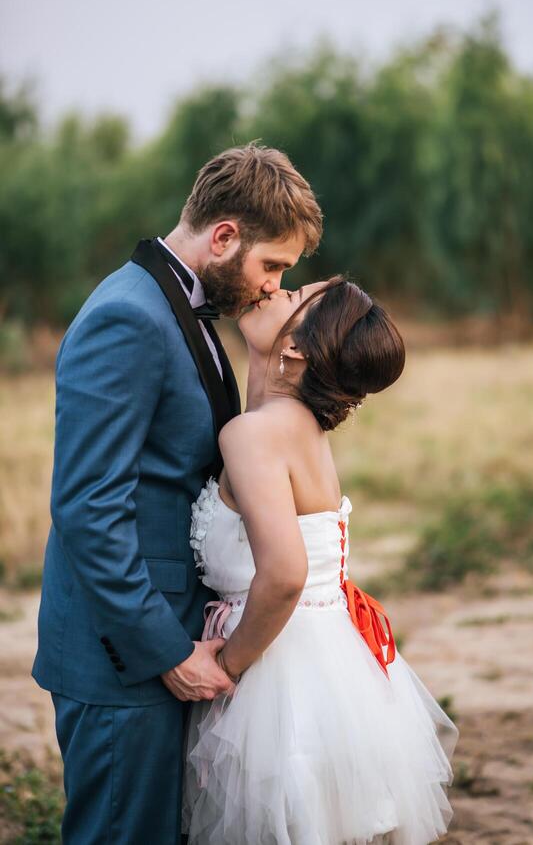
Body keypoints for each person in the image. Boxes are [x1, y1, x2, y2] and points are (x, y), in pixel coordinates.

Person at [32, 143, 323, 844]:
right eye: (271, 264)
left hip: (157, 640)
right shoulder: (128, 318)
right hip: (121, 656)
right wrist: (166, 649)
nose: (271, 286)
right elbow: (87, 507)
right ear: (224, 236)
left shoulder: (181, 310)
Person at [183, 276, 459, 844]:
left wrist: (227, 668)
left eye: (294, 295)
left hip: (280, 676)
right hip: (326, 658)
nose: (273, 291)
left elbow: (285, 575)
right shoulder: (298, 429)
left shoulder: (254, 435)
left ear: (296, 348)